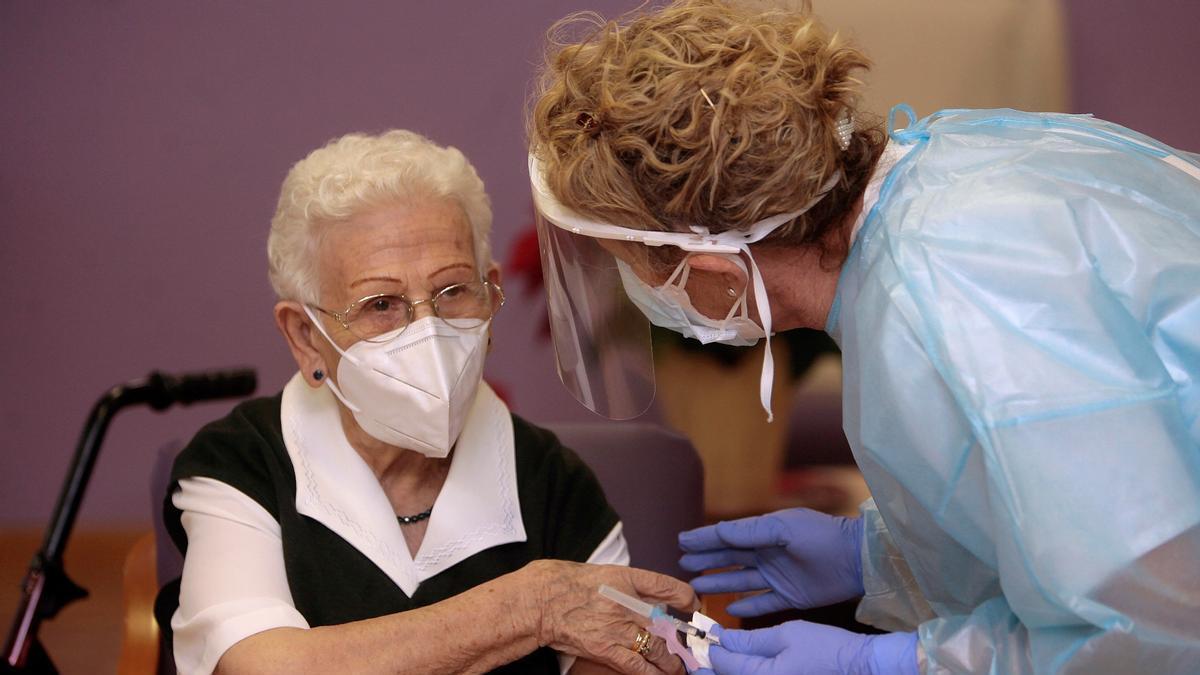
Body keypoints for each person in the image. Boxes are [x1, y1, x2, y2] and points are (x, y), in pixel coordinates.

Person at [526, 1, 1200, 673]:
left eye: (631, 263)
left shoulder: (937, 303)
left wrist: (895, 663)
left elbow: (1150, 624)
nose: (638, 289)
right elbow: (1077, 500)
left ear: (715, 269)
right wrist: (880, 553)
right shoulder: (938, 178)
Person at [156, 130, 696, 675]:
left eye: (453, 291)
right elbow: (260, 667)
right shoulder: (242, 464)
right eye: (380, 303)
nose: (428, 331)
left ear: (489, 292)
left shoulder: (554, 481)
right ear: (305, 335)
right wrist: (532, 606)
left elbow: (623, 657)